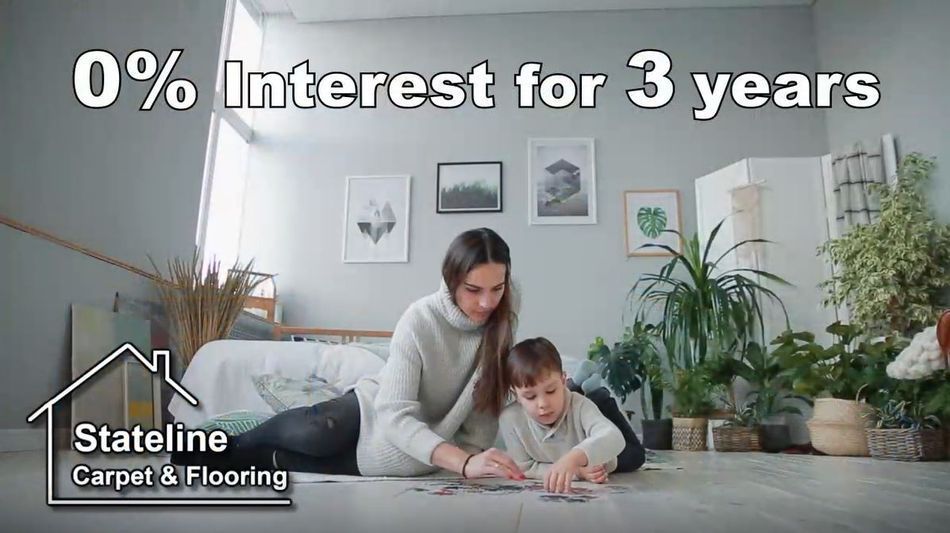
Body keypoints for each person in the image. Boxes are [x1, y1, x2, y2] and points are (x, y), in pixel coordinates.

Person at [173, 228, 525, 480]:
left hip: (424, 448)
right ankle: (224, 440)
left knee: (276, 462)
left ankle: (230, 454)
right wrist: (462, 462)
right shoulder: (419, 319)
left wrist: (472, 455)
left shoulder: (503, 314)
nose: (486, 303)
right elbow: (393, 413)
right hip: (376, 410)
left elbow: (485, 402)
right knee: (319, 432)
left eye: (497, 288)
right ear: (451, 282)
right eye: (473, 290)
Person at [499, 337, 646, 493]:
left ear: (563, 381)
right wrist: (578, 471)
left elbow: (615, 438)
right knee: (566, 402)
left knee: (636, 456)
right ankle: (575, 384)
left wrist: (574, 458)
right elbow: (526, 467)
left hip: (600, 450)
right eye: (530, 397)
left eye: (551, 391)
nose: (542, 404)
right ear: (515, 395)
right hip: (578, 439)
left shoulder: (581, 405)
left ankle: (599, 396)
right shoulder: (510, 419)